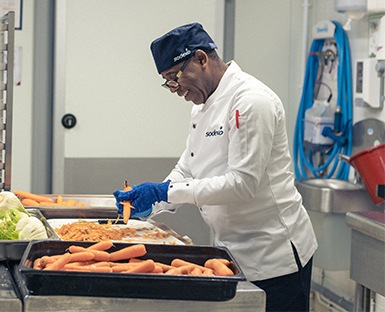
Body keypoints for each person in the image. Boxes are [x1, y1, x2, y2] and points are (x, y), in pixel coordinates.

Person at [113, 23, 317, 312]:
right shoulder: (202, 105)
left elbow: (242, 184)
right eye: (167, 81)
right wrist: (153, 202)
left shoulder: (251, 102)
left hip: (273, 255)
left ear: (201, 59)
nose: (174, 89)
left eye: (175, 77)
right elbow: (188, 166)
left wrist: (166, 194)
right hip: (230, 250)